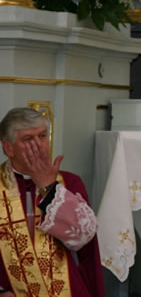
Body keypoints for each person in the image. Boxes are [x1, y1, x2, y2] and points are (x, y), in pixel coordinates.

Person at [0, 108, 105, 297]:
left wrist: (49, 188)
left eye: (42, 136)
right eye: (28, 139)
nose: (39, 145)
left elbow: (83, 238)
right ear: (9, 148)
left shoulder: (70, 183)